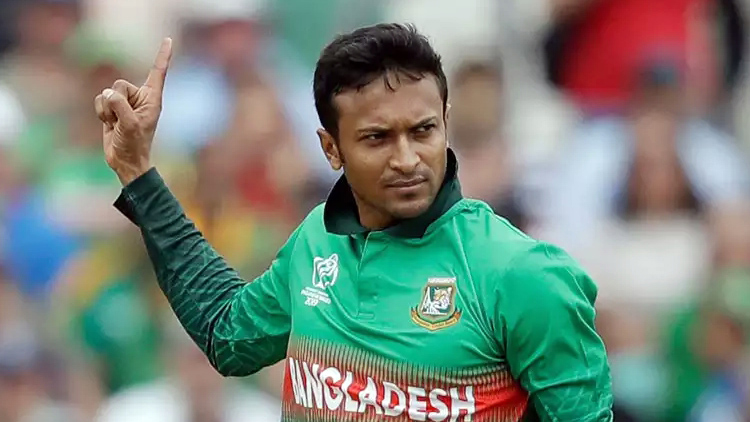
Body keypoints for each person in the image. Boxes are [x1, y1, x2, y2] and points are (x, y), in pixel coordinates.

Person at [93, 24, 613, 421]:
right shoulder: (314, 242)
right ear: (331, 149)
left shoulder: (521, 272)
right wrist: (137, 171)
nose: (407, 159)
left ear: (445, 124)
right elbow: (227, 335)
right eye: (377, 138)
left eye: (423, 131)